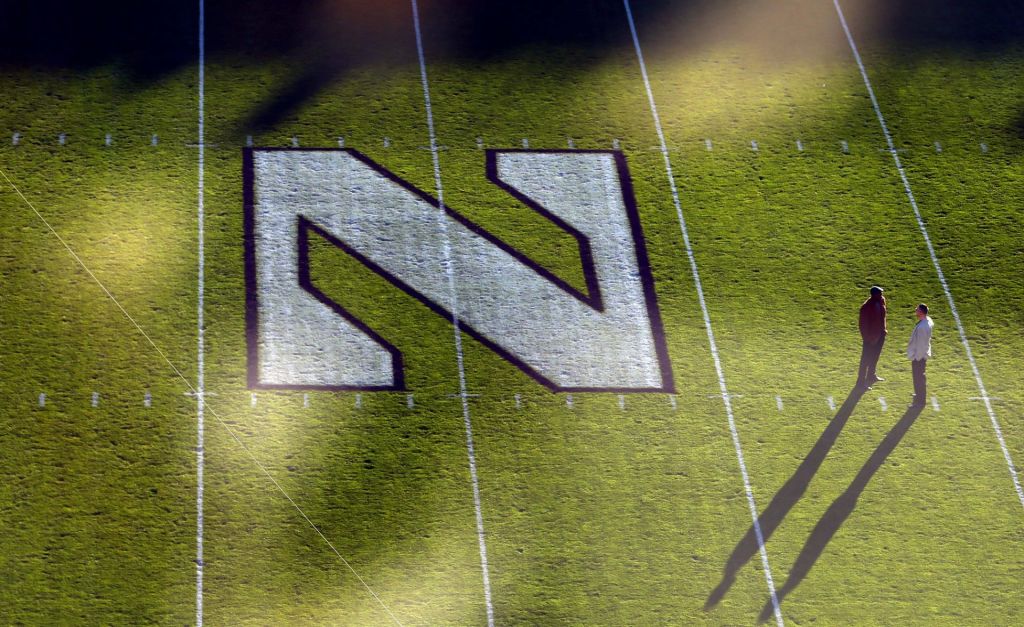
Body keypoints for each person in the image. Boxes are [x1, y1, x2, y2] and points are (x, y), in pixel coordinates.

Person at [857, 286, 887, 389]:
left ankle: (871, 375)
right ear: (874, 295)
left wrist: (883, 331)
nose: (882, 295)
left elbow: (883, 317)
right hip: (870, 340)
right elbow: (862, 325)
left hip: (880, 335)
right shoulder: (866, 307)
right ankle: (860, 383)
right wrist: (868, 339)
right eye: (880, 293)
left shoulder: (881, 301)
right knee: (865, 360)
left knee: (875, 357)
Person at [907, 303, 933, 406]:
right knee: (919, 377)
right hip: (922, 355)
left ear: (921, 312)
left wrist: (917, 358)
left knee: (918, 379)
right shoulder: (927, 321)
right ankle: (919, 396)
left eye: (917, 309)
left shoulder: (922, 327)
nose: (915, 310)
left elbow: (921, 345)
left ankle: (920, 401)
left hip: (919, 357)